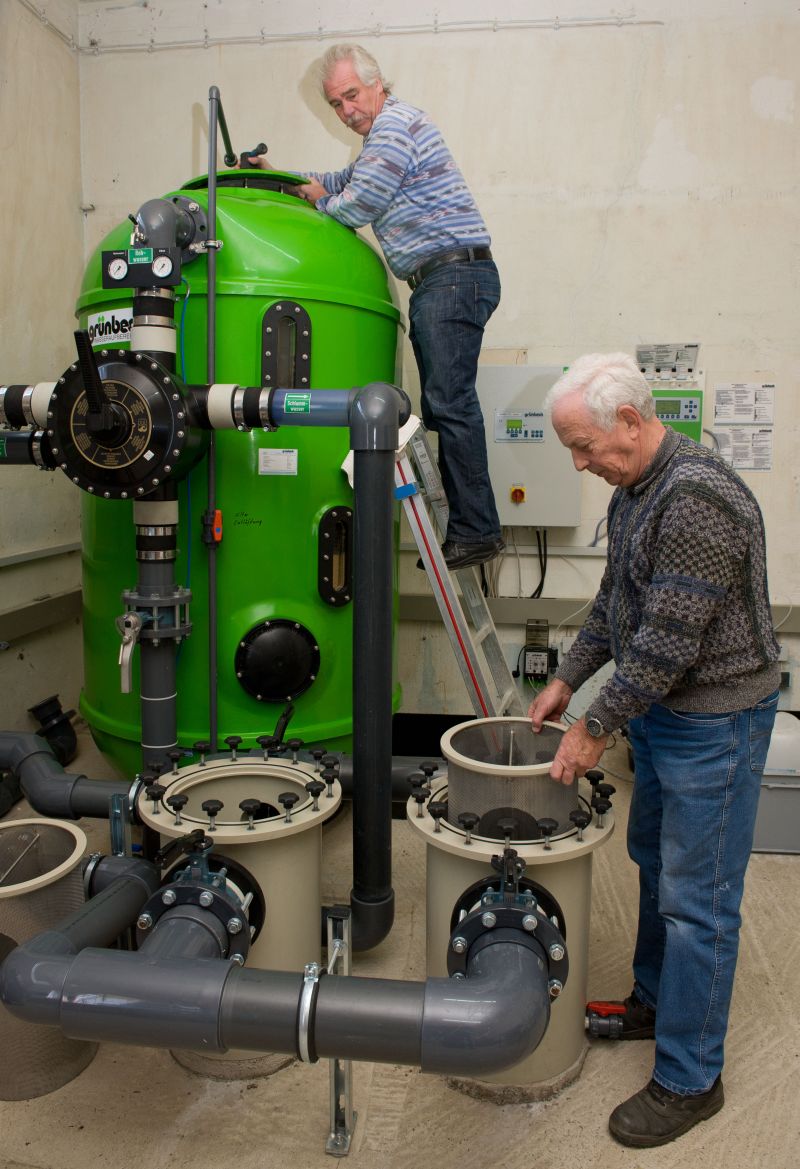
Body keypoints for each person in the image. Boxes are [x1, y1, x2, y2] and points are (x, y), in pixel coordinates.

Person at [528, 352, 780, 1148]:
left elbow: (667, 642)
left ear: (630, 423)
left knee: (700, 899)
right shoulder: (638, 489)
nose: (580, 463)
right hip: (665, 714)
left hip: (715, 720)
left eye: (585, 446)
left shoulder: (697, 498)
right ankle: (653, 998)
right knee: (656, 860)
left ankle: (690, 1077)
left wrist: (592, 728)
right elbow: (617, 601)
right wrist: (568, 678)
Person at [248, 43, 504, 569]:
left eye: (351, 96)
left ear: (377, 85)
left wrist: (322, 202)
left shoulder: (394, 126)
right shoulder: (380, 141)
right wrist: (278, 177)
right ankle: (472, 526)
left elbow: (357, 203)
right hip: (446, 278)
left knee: (450, 405)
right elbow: (339, 185)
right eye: (336, 105)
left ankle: (477, 529)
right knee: (442, 405)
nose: (346, 111)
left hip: (452, 275)